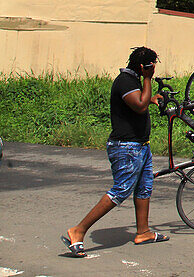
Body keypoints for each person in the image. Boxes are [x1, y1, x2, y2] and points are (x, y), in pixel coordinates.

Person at [61, 46, 169, 257]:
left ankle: (143, 232)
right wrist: (147, 80)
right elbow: (139, 106)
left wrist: (152, 97)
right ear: (142, 66)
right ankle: (78, 230)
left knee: (144, 187)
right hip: (126, 147)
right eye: (150, 66)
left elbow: (142, 101)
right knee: (121, 190)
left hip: (141, 145)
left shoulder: (133, 81)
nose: (153, 70)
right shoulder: (125, 82)